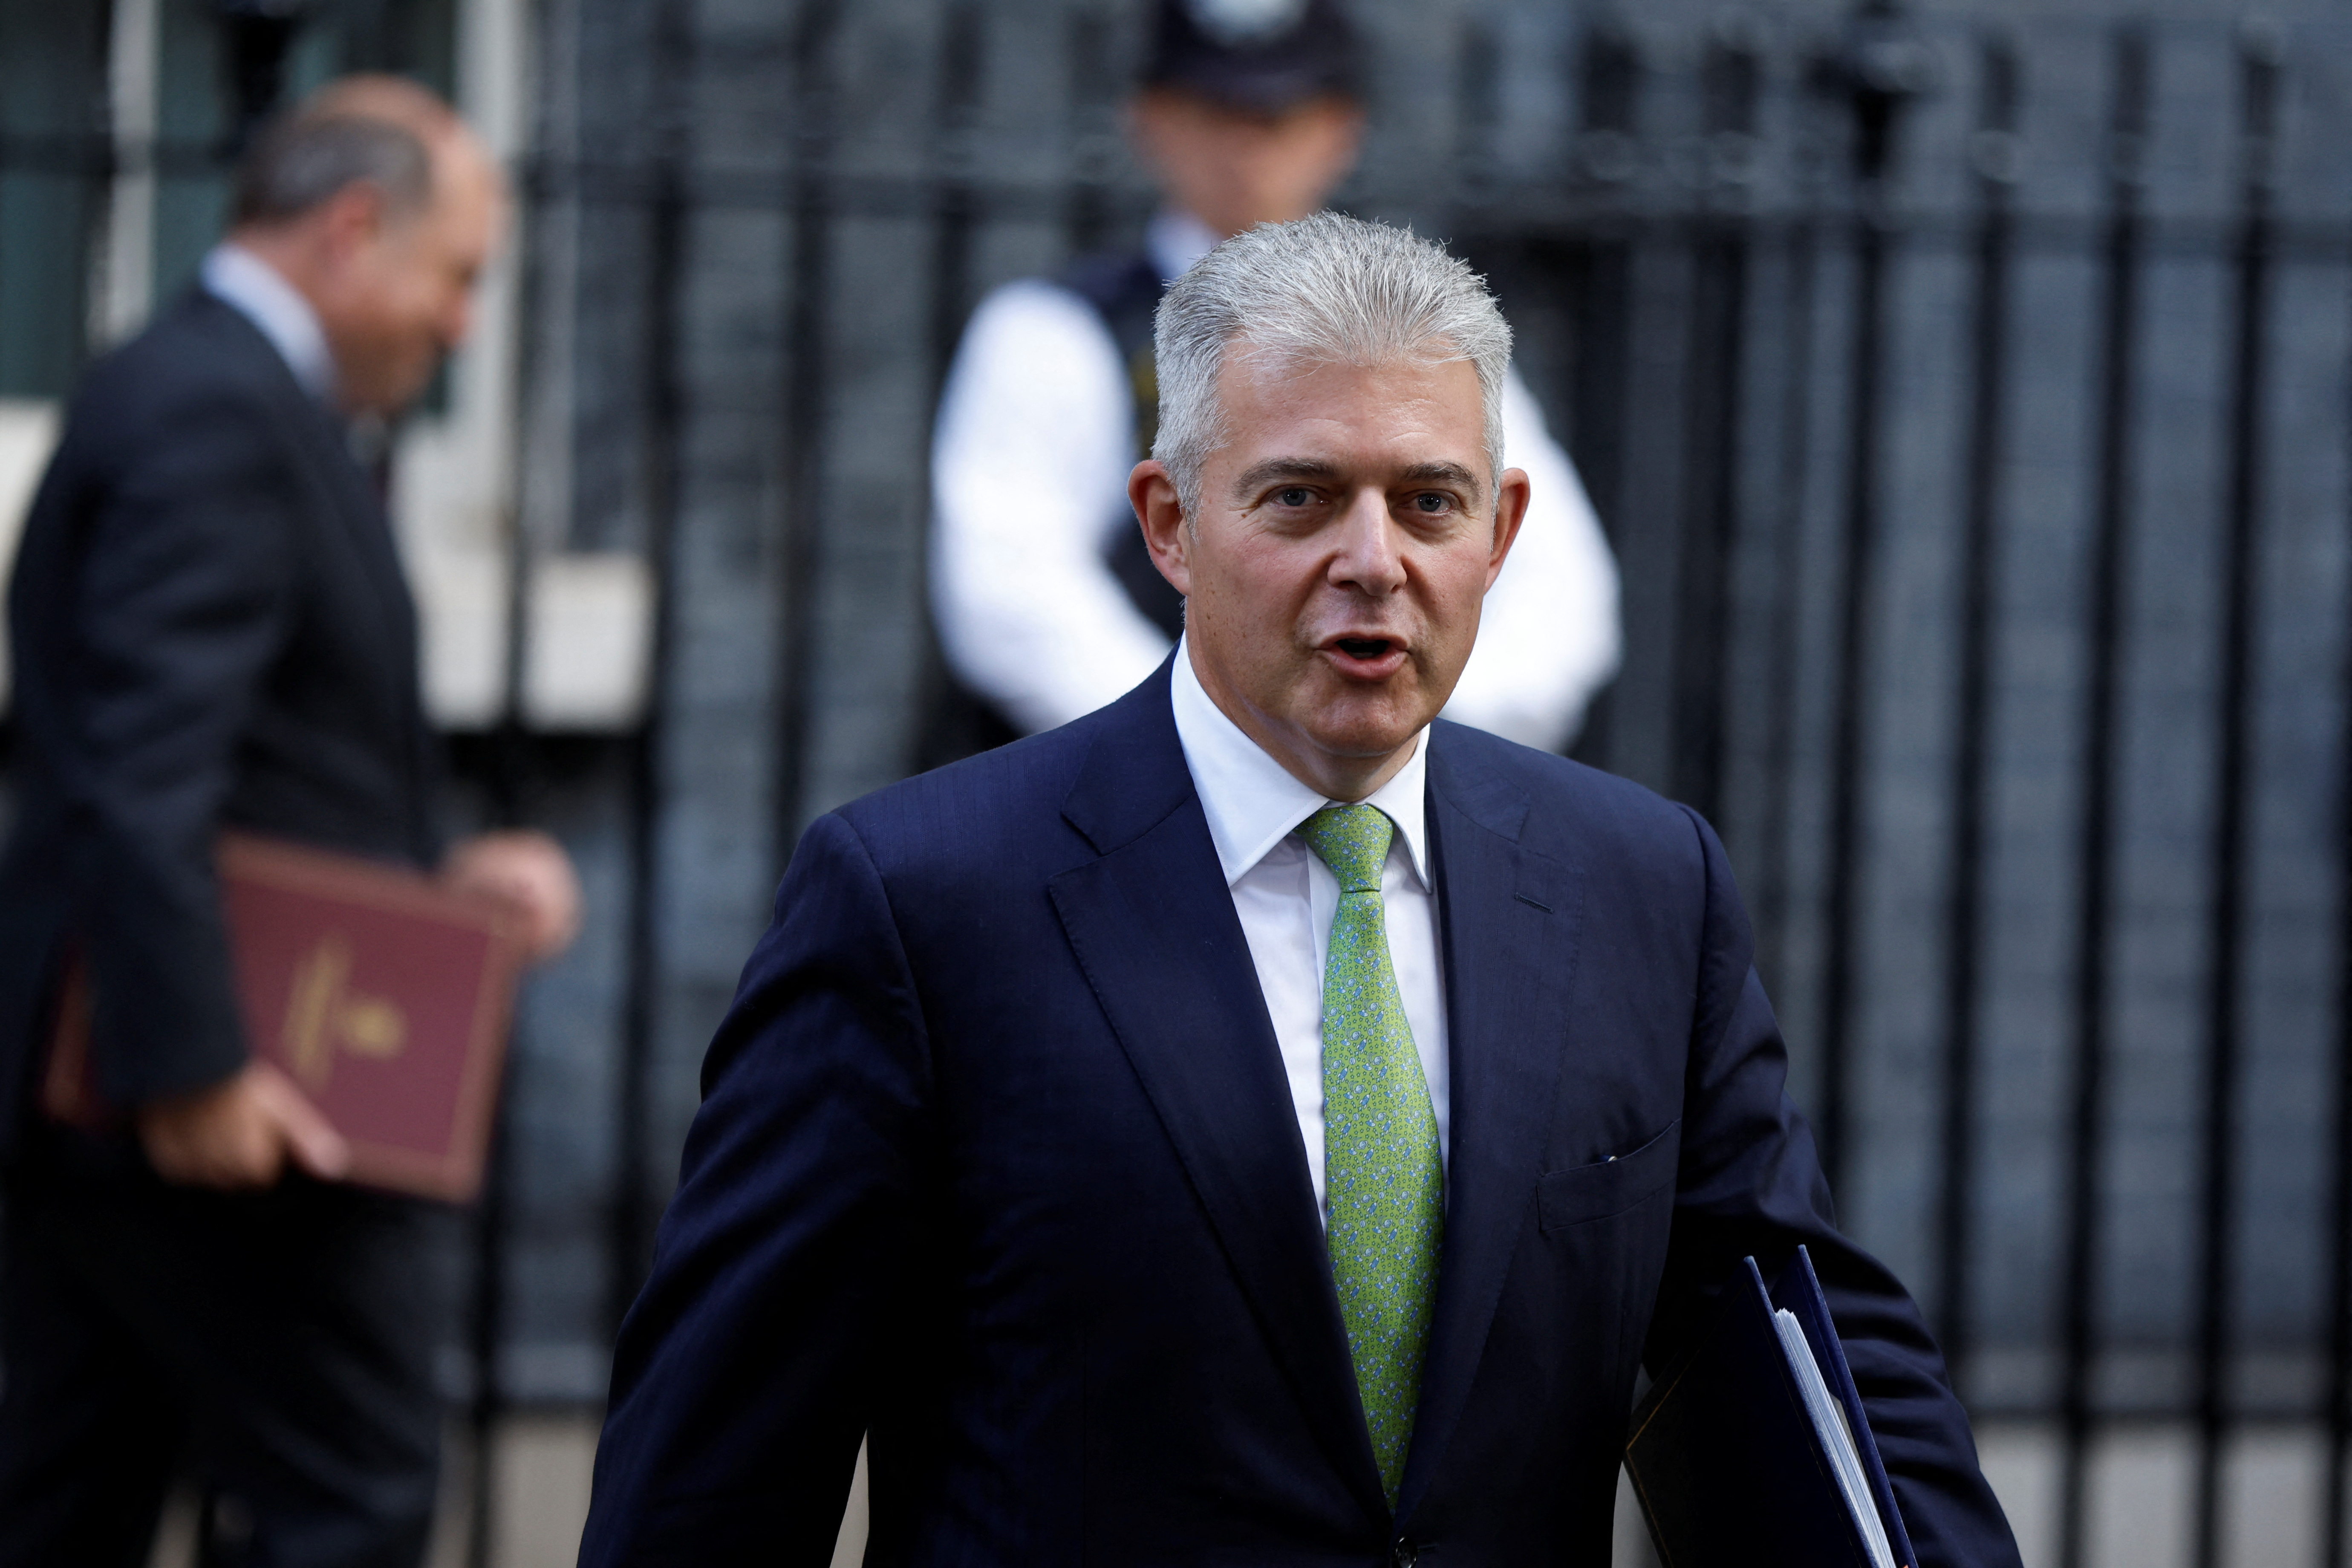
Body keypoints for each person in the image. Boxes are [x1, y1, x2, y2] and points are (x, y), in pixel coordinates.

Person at [579, 215, 2019, 1565]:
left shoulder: (1645, 887)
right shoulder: (917, 903)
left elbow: (1815, 1349)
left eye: (1429, 502)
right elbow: (714, 1478)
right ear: (1168, 523)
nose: (1374, 563)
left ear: (1502, 534)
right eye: (1302, 497)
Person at [0, 77, 580, 1567]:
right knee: (352, 1499)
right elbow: (145, 770)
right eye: (456, 278)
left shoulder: (207, 395)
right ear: (352, 228)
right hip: (228, 1106)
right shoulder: (219, 414)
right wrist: (191, 1066)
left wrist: (440, 886)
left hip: (132, 1082)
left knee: (66, 1498)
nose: (461, 326)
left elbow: (241, 767)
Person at [929, 0, 1619, 757]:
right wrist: (1224, 746)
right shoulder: (1057, 330)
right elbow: (1013, 594)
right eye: (1214, 111)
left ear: (1340, 130)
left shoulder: (1430, 333)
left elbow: (1555, 591)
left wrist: (1398, 742)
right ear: (1149, 120)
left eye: (1281, 116)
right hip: (1125, 804)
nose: (1247, 147)